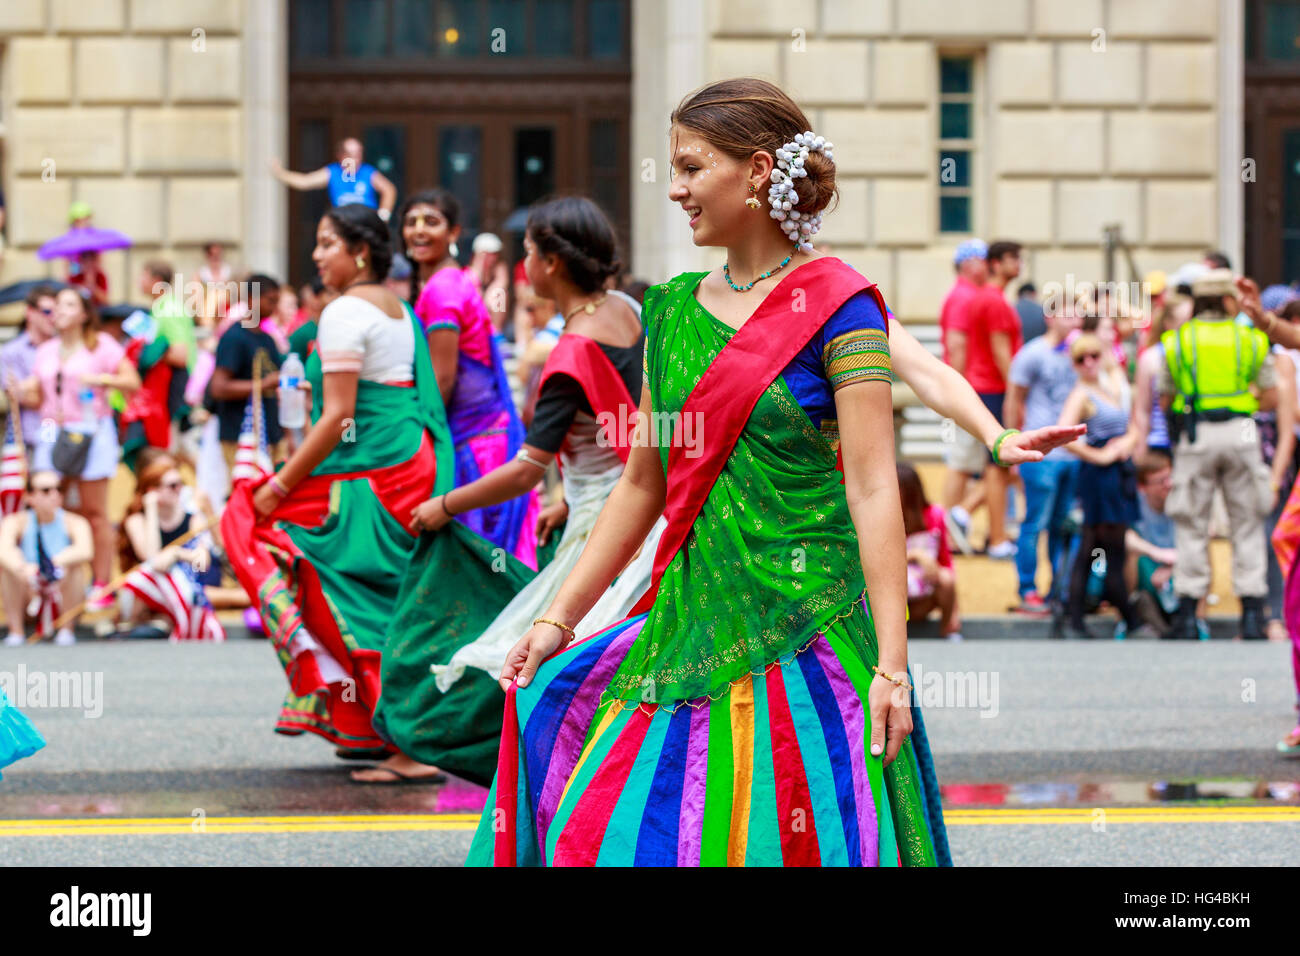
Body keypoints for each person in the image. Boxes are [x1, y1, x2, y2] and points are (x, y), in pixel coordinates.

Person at [468, 78, 943, 867]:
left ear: (758, 171)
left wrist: (893, 664)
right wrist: (556, 620)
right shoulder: (672, 311)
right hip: (688, 616)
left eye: (691, 169)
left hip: (811, 627)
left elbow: (871, 487)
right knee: (603, 803)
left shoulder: (839, 306)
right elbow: (643, 483)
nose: (676, 190)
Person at [369, 196, 652, 786]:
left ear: (550, 263)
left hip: (610, 523)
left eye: (527, 252)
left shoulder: (568, 352)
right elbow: (627, 433)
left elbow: (527, 468)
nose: (523, 263)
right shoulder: (628, 311)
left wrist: (444, 505)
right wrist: (566, 496)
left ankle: (568, 791)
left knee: (530, 655)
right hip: (641, 505)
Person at [221, 205, 447, 754]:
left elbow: (338, 416)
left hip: (369, 471)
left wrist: (276, 486)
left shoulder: (344, 312)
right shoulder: (398, 308)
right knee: (379, 594)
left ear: (360, 252)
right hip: (406, 463)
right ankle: (372, 724)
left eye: (327, 245)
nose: (317, 256)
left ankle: (381, 729)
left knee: (251, 526)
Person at [398, 188, 539, 568]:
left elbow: (442, 382)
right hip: (489, 439)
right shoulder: (455, 281)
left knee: (476, 569)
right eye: (411, 222)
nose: (419, 230)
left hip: (475, 447)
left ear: (454, 232)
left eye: (431, 221)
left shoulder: (442, 289)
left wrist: (415, 444)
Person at [1161, 269, 1277, 642]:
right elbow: (1270, 393)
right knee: (1247, 520)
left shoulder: (1177, 341)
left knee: (1191, 521)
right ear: (1228, 300)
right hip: (1242, 428)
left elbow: (1165, 395)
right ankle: (1252, 615)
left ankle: (1185, 617)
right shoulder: (1251, 339)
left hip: (1196, 432)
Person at [21, 288, 140, 595]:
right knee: (45, 500)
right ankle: (50, 579)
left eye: (69, 304)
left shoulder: (102, 345)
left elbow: (132, 382)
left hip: (92, 428)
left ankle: (101, 583)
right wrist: (21, 391)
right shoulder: (46, 350)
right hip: (51, 427)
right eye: (58, 304)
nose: (59, 310)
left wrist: (101, 380)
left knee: (94, 511)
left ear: (84, 314)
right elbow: (38, 397)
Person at [1058, 333, 1147, 640]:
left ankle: (1079, 616)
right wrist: (1098, 456)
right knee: (1099, 546)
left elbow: (1134, 424)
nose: (1089, 363)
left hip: (1118, 473)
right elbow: (1065, 435)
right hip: (1100, 477)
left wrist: (1126, 443)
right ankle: (1117, 614)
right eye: (1081, 358)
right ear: (1074, 364)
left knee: (1098, 546)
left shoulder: (1111, 386)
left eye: (1094, 355)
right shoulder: (1080, 394)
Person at [1005, 292, 1080, 614]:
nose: (1074, 320)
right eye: (1067, 313)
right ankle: (1028, 589)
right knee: (1035, 523)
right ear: (1050, 317)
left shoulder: (1084, 353)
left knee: (1065, 525)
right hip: (1040, 454)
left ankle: (1060, 590)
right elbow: (1014, 399)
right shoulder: (1033, 354)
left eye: (1078, 314)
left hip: (1075, 454)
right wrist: (1011, 443)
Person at [119, 457, 237, 641]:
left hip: (189, 581)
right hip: (155, 587)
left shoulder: (192, 518)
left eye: (180, 484)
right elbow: (151, 558)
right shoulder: (137, 520)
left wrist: (177, 554)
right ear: (153, 490)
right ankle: (153, 623)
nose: (180, 490)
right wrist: (151, 509)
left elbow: (201, 563)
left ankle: (165, 623)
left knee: (175, 578)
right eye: (173, 486)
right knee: (148, 574)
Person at [0, 471, 93, 646]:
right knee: (8, 570)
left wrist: (54, 564)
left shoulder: (74, 521)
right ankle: (16, 632)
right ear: (29, 497)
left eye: (59, 489)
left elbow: (85, 550)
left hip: (61, 592)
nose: (54, 495)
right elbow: (3, 550)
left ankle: (66, 630)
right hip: (30, 594)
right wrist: (24, 568)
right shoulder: (16, 521)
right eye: (46, 490)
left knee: (74, 568)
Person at [208, 275, 286, 479]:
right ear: (251, 299)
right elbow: (219, 387)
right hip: (240, 436)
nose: (274, 307)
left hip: (269, 433)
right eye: (270, 301)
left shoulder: (267, 339)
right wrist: (261, 384)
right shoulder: (234, 337)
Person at [939, 238, 989, 548]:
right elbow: (957, 348)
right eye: (984, 260)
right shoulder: (963, 298)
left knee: (967, 464)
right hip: (967, 390)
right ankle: (946, 531)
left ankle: (950, 528)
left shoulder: (967, 295)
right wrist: (956, 396)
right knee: (961, 464)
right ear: (970, 264)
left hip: (969, 389)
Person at [898, 462, 961, 640]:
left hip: (922, 597)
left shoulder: (934, 515)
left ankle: (947, 630)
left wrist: (955, 611)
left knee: (946, 579)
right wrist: (916, 555)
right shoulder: (880, 517)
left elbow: (946, 561)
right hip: (894, 595)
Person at [270, 137, 397, 221]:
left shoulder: (367, 172)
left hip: (367, 222)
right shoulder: (333, 172)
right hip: (343, 222)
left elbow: (389, 189)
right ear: (341, 155)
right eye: (352, 155)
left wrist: (383, 215)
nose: (356, 159)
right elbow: (305, 181)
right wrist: (280, 173)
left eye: (359, 154)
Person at [1125, 452, 1179, 637]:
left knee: (1201, 557)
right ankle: (1132, 613)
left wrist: (1170, 568)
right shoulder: (1135, 505)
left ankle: (1196, 620)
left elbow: (1201, 536)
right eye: (1161, 481)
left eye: (1170, 478)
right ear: (1142, 487)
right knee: (1128, 554)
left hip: (1178, 568)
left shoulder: (1181, 501)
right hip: (1147, 568)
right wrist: (1156, 554)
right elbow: (1124, 537)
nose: (1168, 485)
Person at [1, 285, 59, 452]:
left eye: (57, 312)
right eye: (47, 311)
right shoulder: (11, 351)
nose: (53, 318)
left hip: (58, 433)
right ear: (30, 312)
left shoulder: (61, 347)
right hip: (26, 434)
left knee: (51, 475)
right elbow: (20, 396)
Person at [468, 232, 511, 331]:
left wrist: (500, 281)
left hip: (491, 324)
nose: (493, 257)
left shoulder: (498, 271)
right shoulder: (469, 274)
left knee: (500, 293)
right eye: (489, 254)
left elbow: (494, 302)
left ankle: (496, 333)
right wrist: (479, 267)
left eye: (495, 254)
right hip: (473, 324)